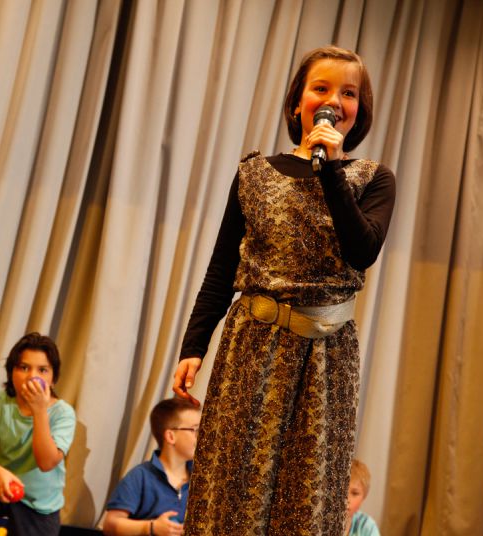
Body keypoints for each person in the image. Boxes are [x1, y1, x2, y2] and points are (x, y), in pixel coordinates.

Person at [172, 45, 396, 535]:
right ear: (298, 102)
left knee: (306, 497)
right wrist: (193, 346)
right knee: (232, 487)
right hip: (252, 346)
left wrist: (330, 169)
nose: (333, 101)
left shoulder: (374, 178)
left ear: (360, 110)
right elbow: (221, 269)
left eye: (348, 93)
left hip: (325, 359)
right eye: (321, 88)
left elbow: (362, 251)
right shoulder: (254, 173)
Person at [0, 332, 76, 536]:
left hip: (39, 503)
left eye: (42, 370)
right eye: (24, 368)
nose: (32, 376)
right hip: (0, 487)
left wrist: (39, 411)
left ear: (53, 379)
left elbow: (46, 462)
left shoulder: (63, 413)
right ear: (11, 373)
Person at [103, 398, 201, 536]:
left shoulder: (202, 480)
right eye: (195, 430)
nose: (203, 437)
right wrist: (150, 527)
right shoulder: (141, 476)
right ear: (171, 436)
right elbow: (110, 524)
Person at [345, 459, 381, 536]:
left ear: (364, 497)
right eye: (342, 492)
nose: (346, 499)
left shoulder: (367, 526)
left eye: (354, 493)